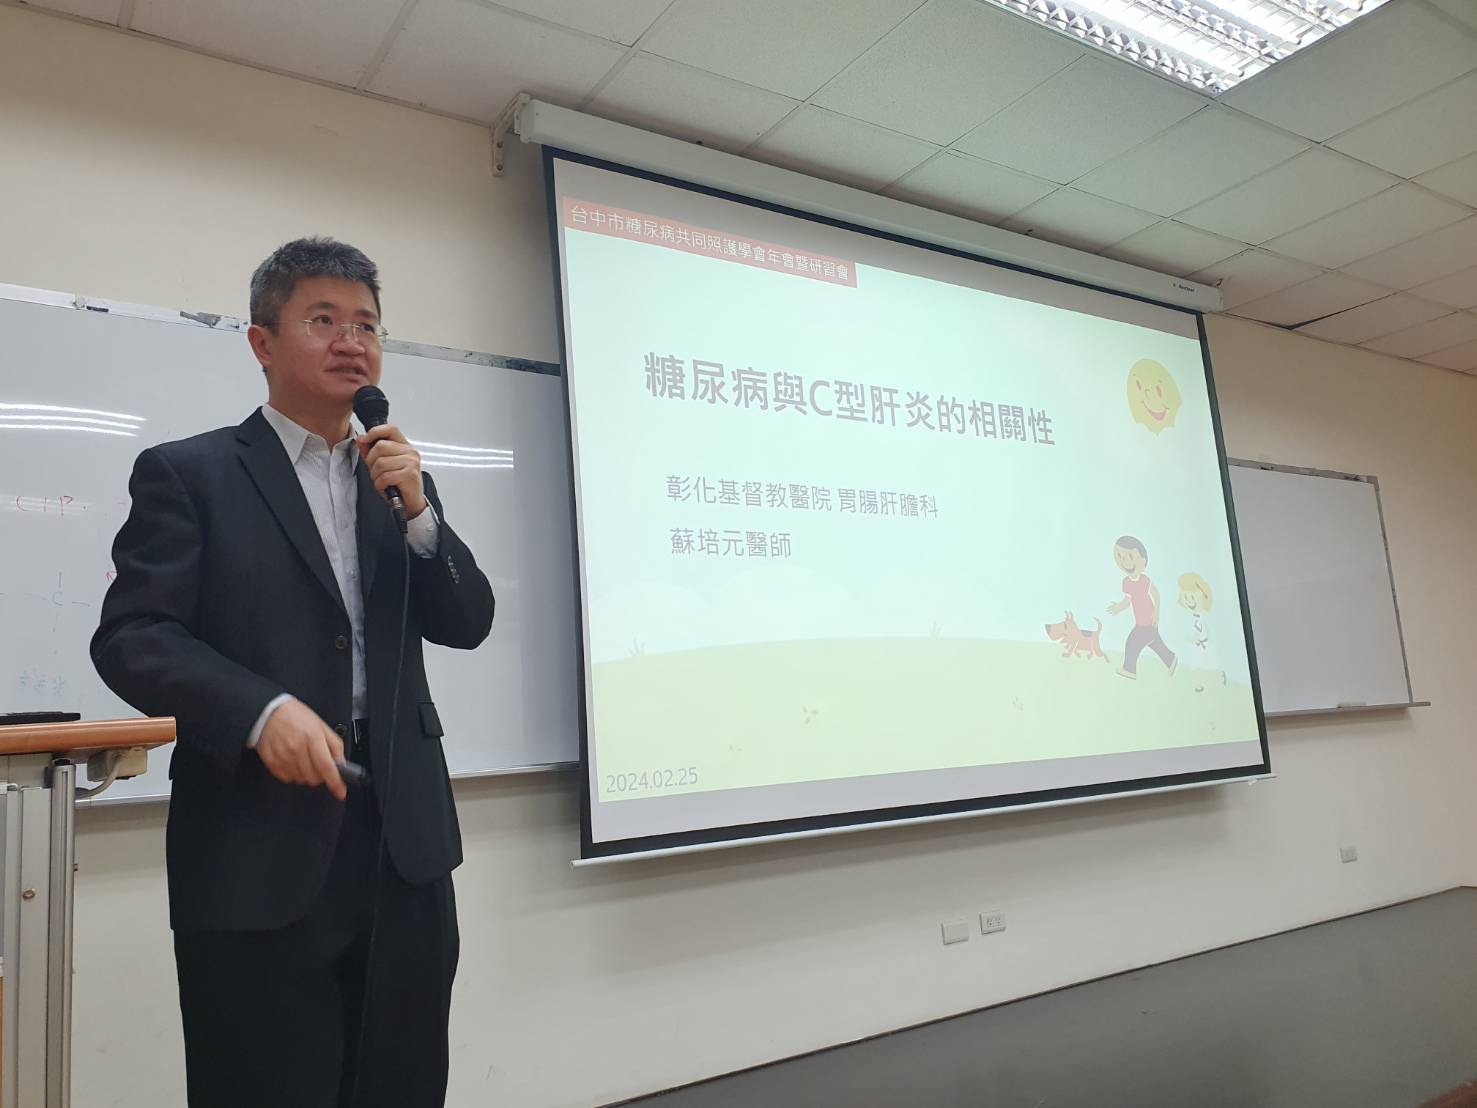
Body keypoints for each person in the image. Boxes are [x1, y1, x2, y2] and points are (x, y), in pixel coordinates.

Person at [91, 237, 494, 1107]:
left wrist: (422, 519)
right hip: (254, 847)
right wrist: (256, 710)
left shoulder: (397, 480)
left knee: (403, 1083)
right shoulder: (190, 474)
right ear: (262, 343)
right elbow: (132, 637)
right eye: (323, 320)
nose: (353, 341)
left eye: (367, 325)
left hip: (403, 844)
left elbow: (468, 623)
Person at [1106, 535, 1176, 680]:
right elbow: (1127, 601)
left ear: (1143, 561)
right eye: (1119, 556)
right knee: (1155, 643)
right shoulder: (1126, 583)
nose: (1124, 561)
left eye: (1130, 556)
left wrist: (1157, 612)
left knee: (1132, 642)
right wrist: (1119, 607)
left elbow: (1156, 595)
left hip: (1148, 621)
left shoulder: (1144, 580)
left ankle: (1129, 669)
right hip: (1141, 621)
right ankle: (1170, 659)